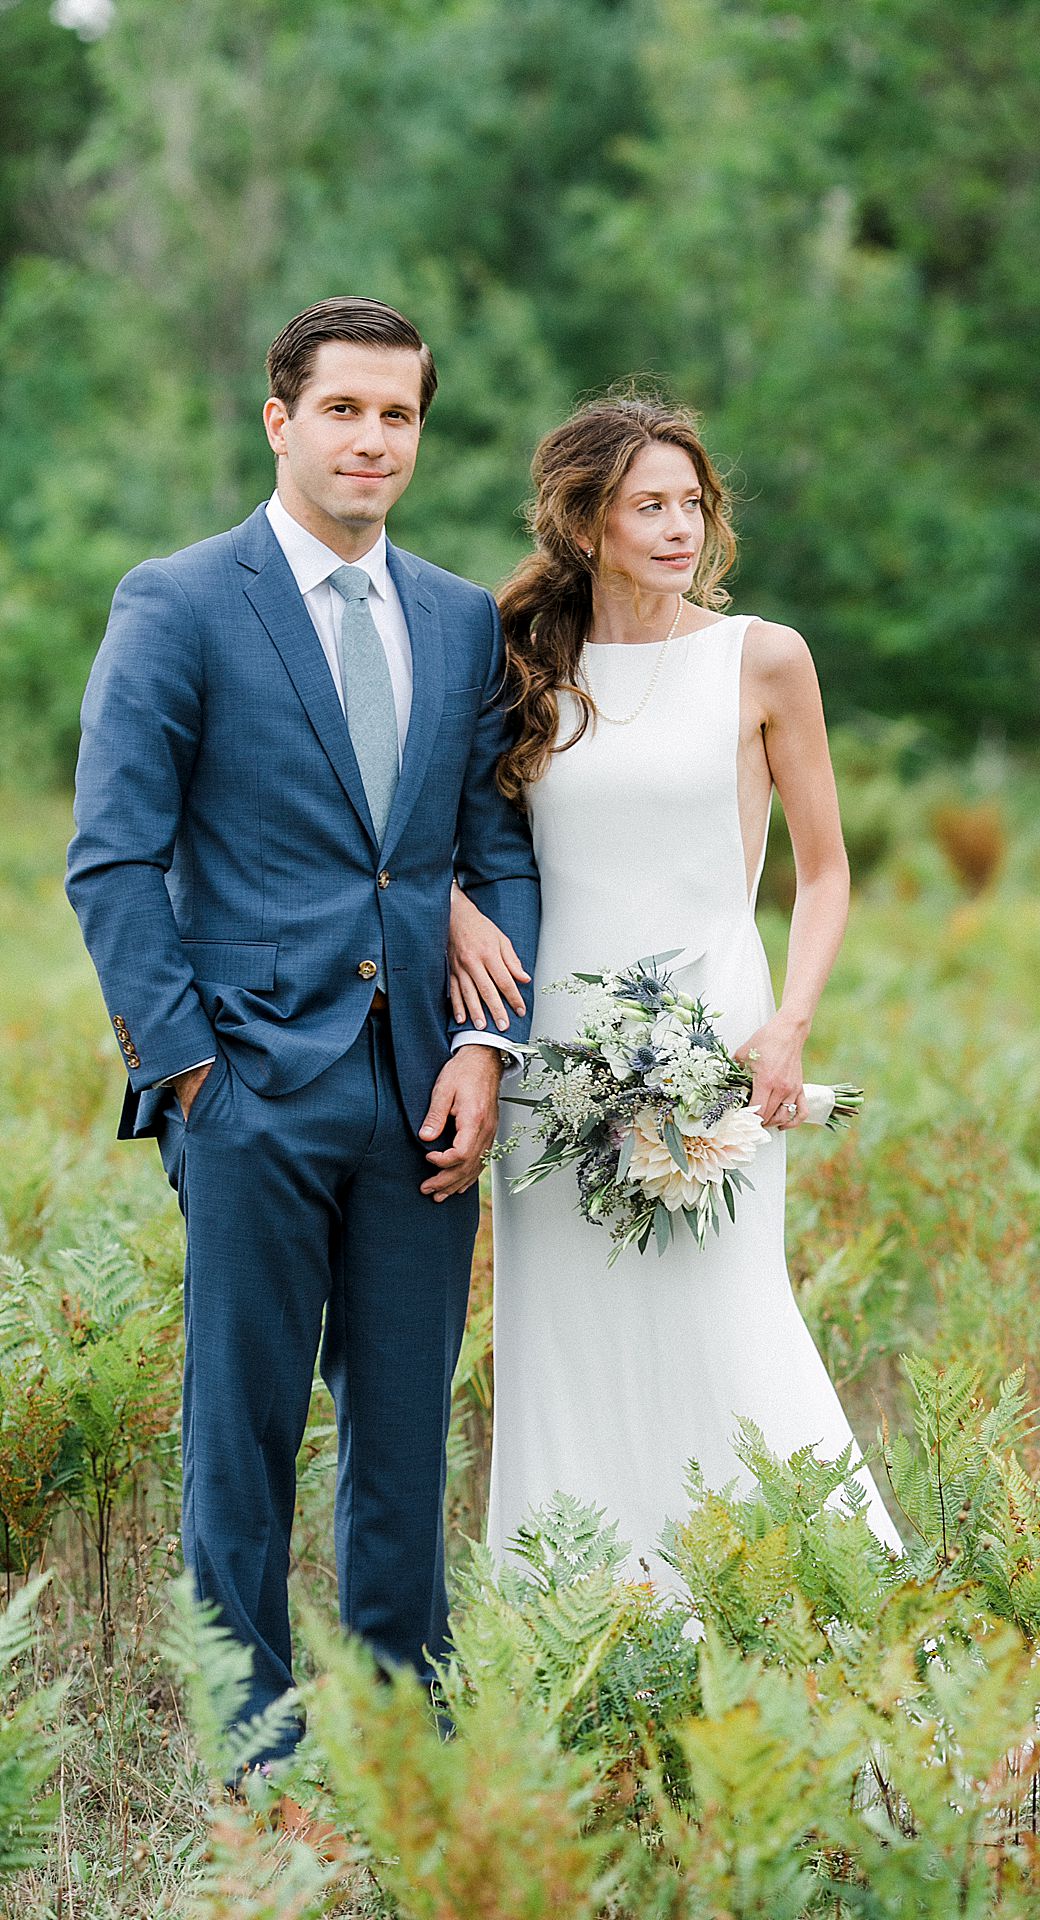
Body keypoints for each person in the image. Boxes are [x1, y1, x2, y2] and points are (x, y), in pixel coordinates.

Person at [66, 298, 540, 1784]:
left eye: (398, 415)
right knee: (243, 1439)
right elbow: (113, 859)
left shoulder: (463, 617)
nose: (373, 440)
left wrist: (487, 1051)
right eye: (345, 411)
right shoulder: (181, 600)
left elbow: (491, 851)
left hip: (424, 1094)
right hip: (251, 1088)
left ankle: (408, 1743)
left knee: (403, 1442)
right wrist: (190, 1073)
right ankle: (255, 1751)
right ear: (281, 422)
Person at [448, 394, 901, 1577]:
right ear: (585, 522)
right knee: (567, 1340)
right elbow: (436, 836)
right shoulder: (520, 661)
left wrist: (788, 1025)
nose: (676, 526)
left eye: (689, 503)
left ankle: (808, 1621)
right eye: (647, 505)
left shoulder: (760, 657)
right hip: (552, 1052)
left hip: (716, 1045)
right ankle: (592, 1632)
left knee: (725, 1321)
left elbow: (826, 869)